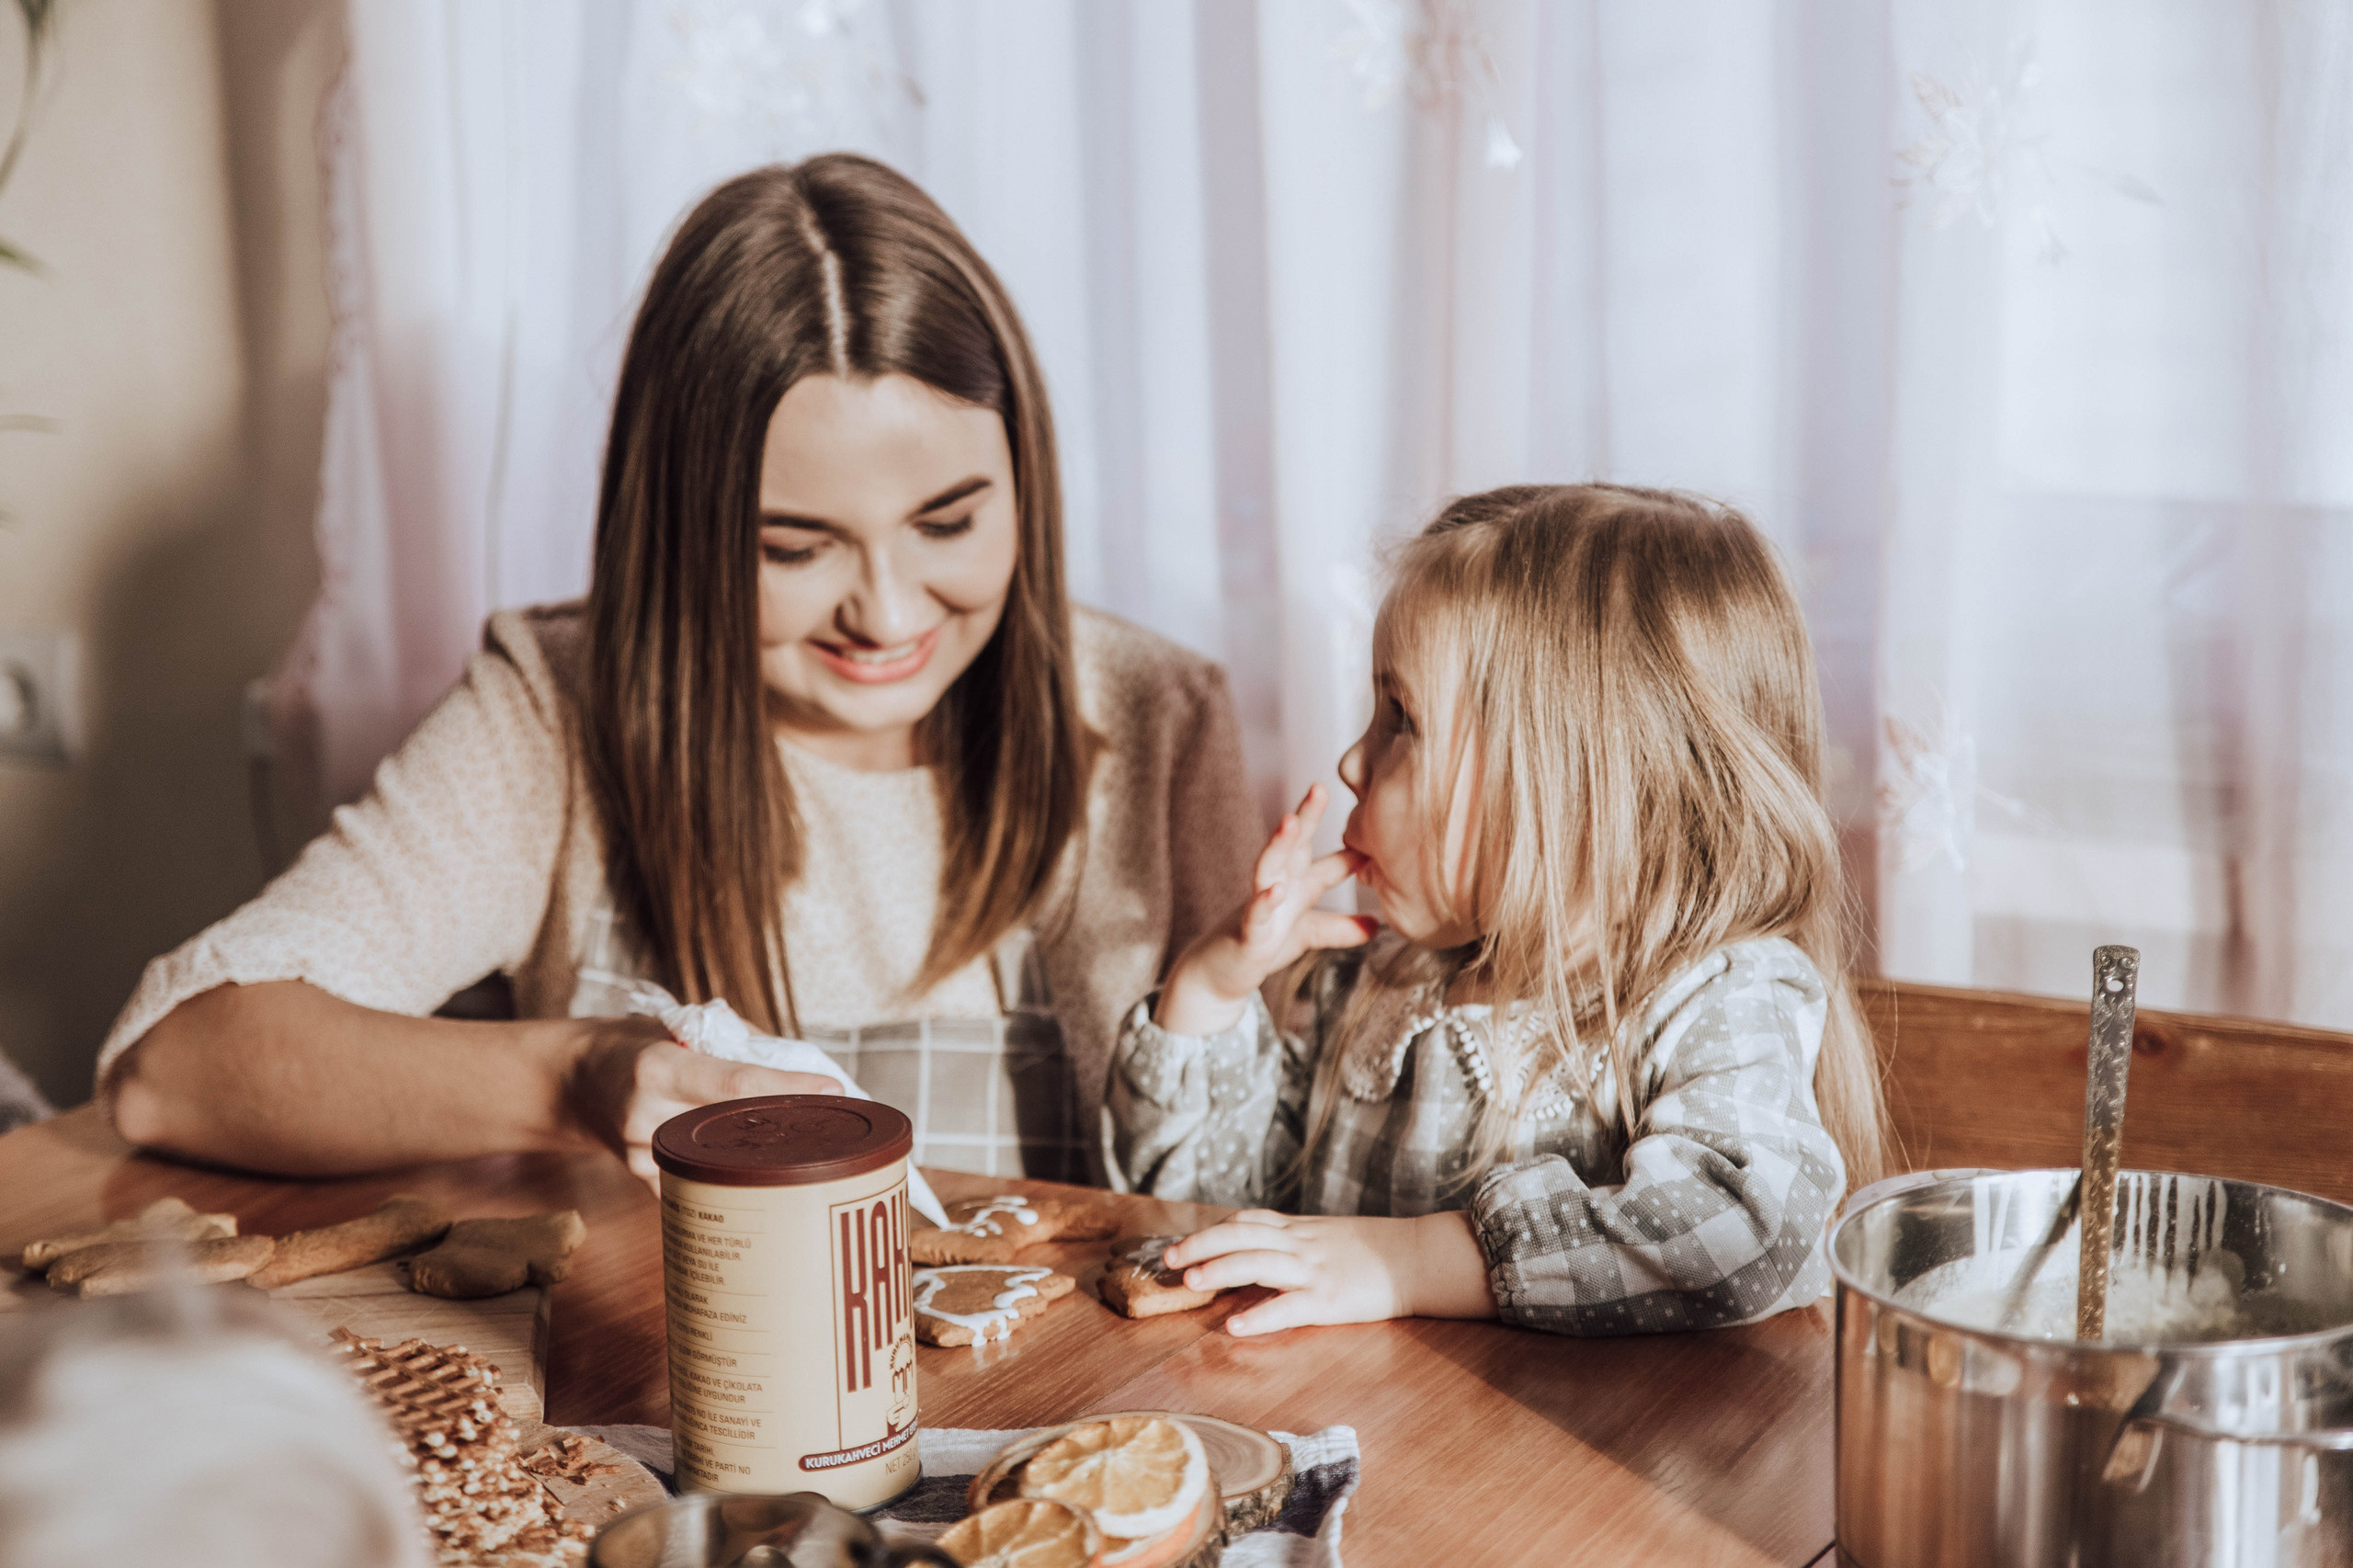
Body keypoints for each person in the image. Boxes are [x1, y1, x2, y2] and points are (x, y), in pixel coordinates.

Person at [102, 154, 1256, 1188]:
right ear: (681, 527)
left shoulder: (1156, 715)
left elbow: (1256, 1170)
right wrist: (578, 1079)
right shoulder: (552, 712)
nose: (889, 609)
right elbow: (175, 1065)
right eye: (793, 548)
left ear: (1023, 482)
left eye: (947, 524)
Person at [1108, 483, 1889, 1335]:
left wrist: (1404, 1264)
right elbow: (1218, 1220)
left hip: (1574, 1461)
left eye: (1400, 718)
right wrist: (1212, 992)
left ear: (1580, 787)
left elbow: (1744, 1230)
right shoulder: (1380, 987)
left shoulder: (1713, 998)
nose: (1349, 763)